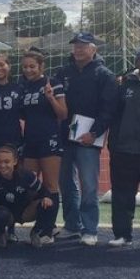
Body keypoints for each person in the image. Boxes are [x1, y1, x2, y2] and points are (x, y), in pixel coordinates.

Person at [55, 32, 117, 246]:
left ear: (94, 49)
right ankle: (72, 225)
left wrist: (94, 133)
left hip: (88, 138)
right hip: (64, 136)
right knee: (65, 182)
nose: (79, 49)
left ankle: (90, 228)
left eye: (83, 46)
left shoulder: (104, 75)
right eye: (76, 46)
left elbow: (109, 109)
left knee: (89, 184)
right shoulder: (63, 72)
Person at [19, 49, 67, 245]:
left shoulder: (53, 83)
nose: (29, 70)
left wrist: (50, 98)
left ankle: (47, 229)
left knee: (50, 185)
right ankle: (41, 223)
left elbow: (63, 114)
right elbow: (24, 114)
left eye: (32, 66)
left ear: (41, 66)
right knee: (30, 185)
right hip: (30, 140)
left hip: (49, 140)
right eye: (25, 67)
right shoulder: (24, 86)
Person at [108, 45, 140, 247]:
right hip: (124, 151)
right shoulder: (124, 84)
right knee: (122, 195)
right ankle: (122, 234)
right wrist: (114, 143)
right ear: (136, 61)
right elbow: (112, 114)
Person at [0, 145, 55, 248]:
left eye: (6, 162)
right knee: (0, 213)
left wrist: (46, 197)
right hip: (6, 214)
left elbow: (44, 191)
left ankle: (36, 232)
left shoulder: (26, 175)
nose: (2, 165)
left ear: (15, 162)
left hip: (25, 211)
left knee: (49, 204)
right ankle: (1, 233)